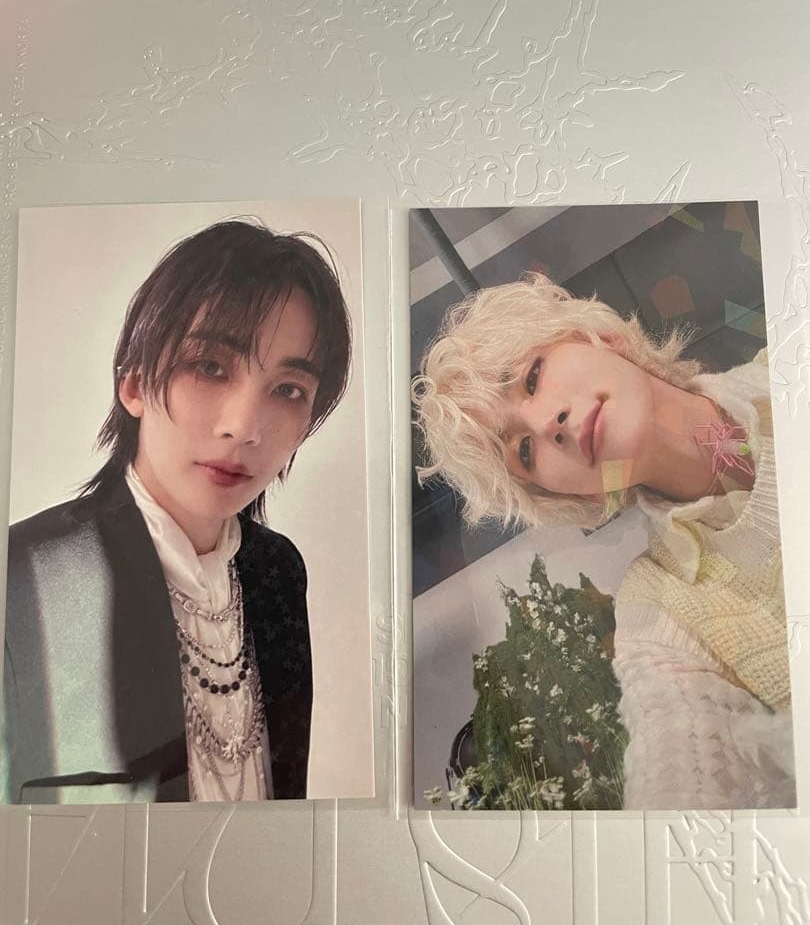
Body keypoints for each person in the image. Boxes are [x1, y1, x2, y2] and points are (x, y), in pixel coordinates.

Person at [412, 271, 795, 809]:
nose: (548, 423)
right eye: (524, 451)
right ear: (573, 492)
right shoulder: (660, 617)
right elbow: (676, 766)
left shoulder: (792, 361)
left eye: (532, 377)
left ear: (602, 338)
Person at [2, 218, 352, 804]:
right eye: (210, 367)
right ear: (135, 383)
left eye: (288, 390)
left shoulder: (277, 571)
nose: (244, 427)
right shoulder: (27, 574)